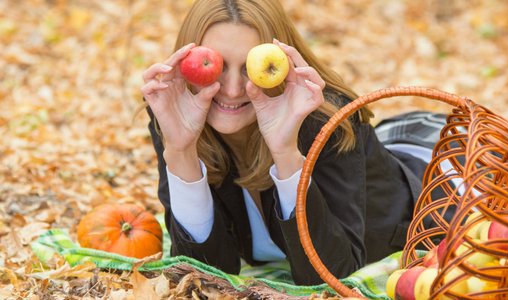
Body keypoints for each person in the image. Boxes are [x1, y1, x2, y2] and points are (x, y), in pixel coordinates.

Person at [140, 0, 443, 285]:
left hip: (438, 176)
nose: (232, 90)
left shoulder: (322, 120)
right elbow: (204, 274)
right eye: (217, 67)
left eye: (250, 68)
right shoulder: (176, 116)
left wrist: (285, 151)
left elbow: (329, 275)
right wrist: (181, 152)